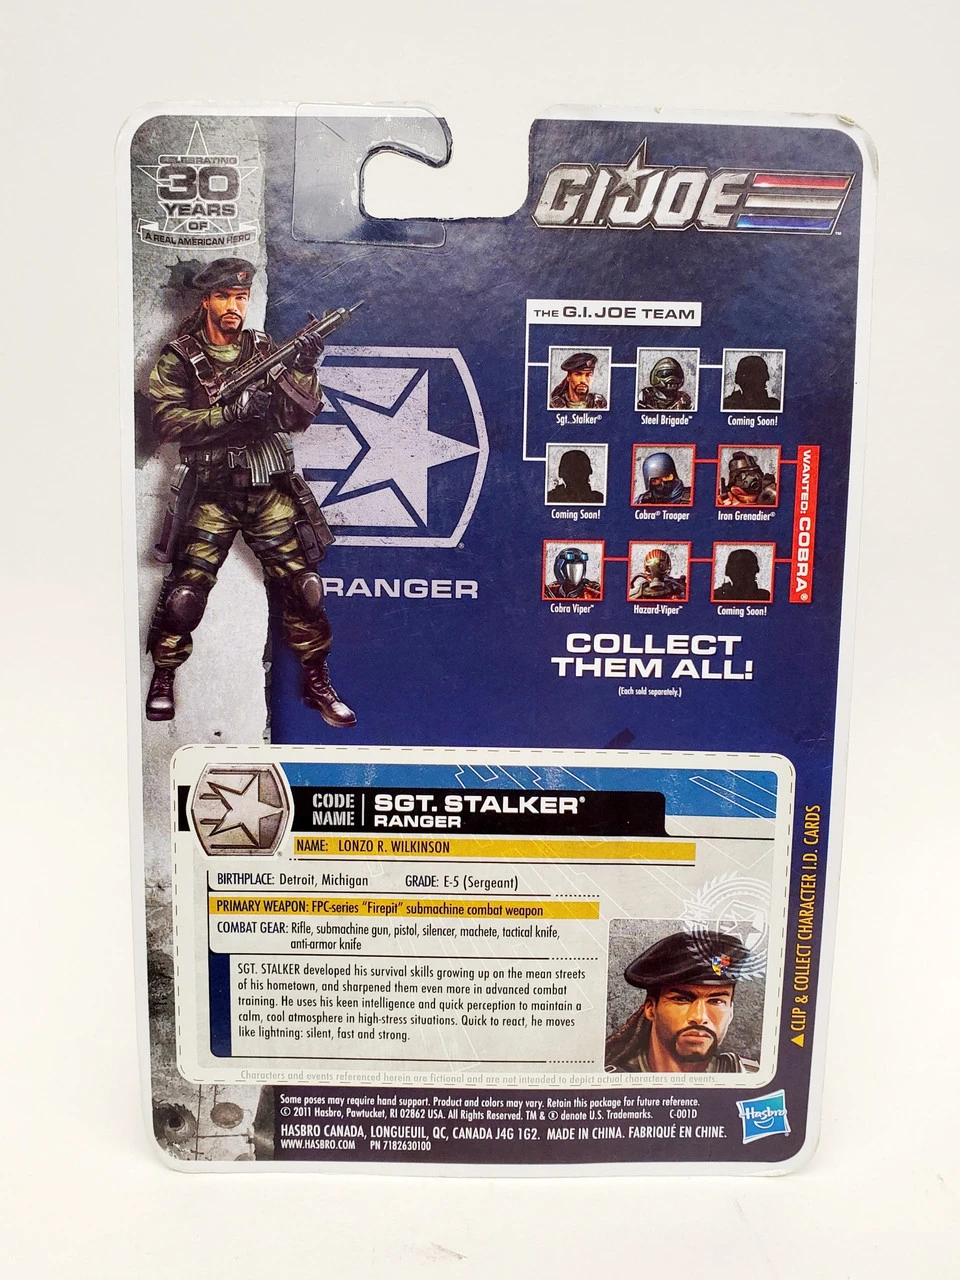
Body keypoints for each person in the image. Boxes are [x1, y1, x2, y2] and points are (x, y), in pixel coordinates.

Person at [144, 258, 356, 727]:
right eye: (223, 296)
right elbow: (166, 423)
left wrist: (303, 368)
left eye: (241, 297)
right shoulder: (179, 357)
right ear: (206, 300)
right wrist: (228, 415)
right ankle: (163, 675)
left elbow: (295, 419)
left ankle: (316, 679)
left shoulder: (263, 348)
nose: (233, 306)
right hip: (211, 493)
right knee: (186, 592)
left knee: (304, 588)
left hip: (268, 490)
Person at [605, 930, 759, 1073]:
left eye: (716, 1001)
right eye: (682, 999)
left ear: (731, 1013)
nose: (699, 1017)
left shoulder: (750, 1077)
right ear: (651, 1009)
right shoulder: (613, 1078)